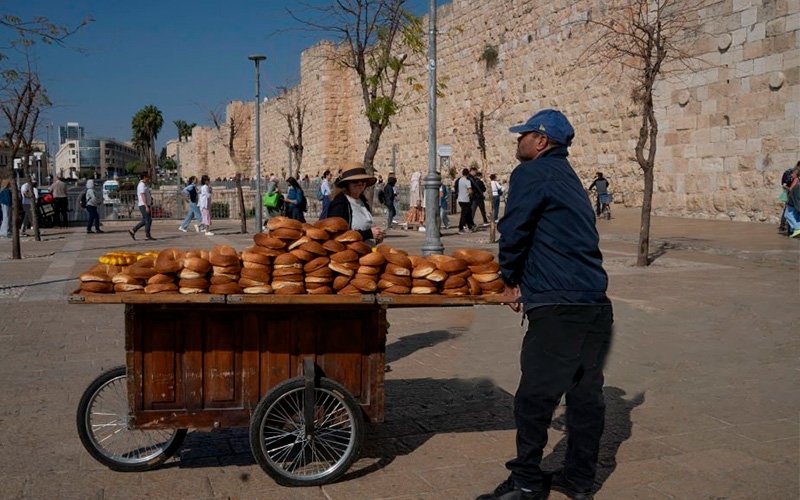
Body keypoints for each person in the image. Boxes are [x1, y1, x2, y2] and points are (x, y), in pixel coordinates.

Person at [479, 109, 613, 500]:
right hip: (595, 303)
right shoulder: (569, 178)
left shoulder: (531, 173)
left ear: (541, 140)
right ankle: (579, 478)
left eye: (523, 134)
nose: (517, 140)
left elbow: (515, 229)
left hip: (558, 304)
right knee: (585, 397)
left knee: (534, 397)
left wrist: (508, 279)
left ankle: (524, 482)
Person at [327, 163, 385, 244]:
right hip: (350, 254)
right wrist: (369, 234)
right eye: (355, 181)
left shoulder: (362, 201)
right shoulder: (340, 204)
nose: (360, 183)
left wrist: (376, 238)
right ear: (347, 184)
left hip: (367, 251)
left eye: (363, 180)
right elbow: (336, 235)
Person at [128, 173, 155, 241]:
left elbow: (147, 194)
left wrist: (150, 200)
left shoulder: (145, 184)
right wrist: (146, 206)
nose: (149, 178)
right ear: (144, 177)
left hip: (146, 204)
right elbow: (143, 195)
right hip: (143, 205)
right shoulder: (141, 185)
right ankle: (147, 235)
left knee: (145, 220)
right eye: (148, 177)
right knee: (148, 220)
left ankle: (133, 230)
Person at [455, 168, 476, 233]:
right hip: (466, 199)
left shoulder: (460, 180)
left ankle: (470, 226)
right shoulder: (467, 181)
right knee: (464, 215)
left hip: (460, 199)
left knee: (467, 213)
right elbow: (470, 191)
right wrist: (472, 193)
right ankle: (461, 228)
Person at [783, 166, 800, 238]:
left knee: (787, 215)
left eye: (792, 173)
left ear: (796, 174)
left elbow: (791, 190)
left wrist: (785, 187)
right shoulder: (798, 180)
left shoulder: (796, 180)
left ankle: (797, 228)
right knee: (796, 216)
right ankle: (796, 229)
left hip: (792, 202)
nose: (791, 175)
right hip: (795, 202)